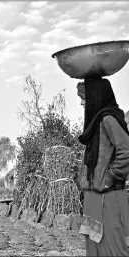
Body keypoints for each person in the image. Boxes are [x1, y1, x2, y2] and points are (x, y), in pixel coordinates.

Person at [75, 78, 129, 256]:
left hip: (108, 198)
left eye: (85, 98)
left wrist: (110, 179)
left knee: (113, 248)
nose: (82, 102)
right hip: (94, 197)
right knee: (95, 248)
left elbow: (127, 150)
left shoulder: (108, 120)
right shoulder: (95, 123)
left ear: (96, 97)